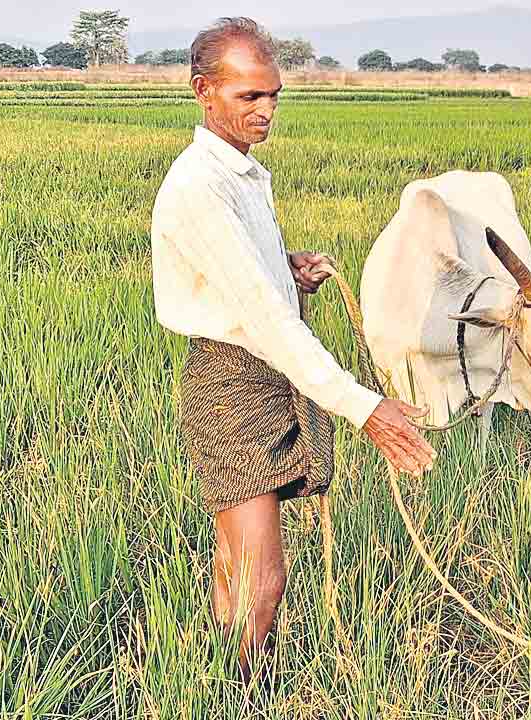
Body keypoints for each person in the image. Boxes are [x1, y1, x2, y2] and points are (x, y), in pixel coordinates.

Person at [150, 16, 436, 679]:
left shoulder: (242, 173)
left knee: (238, 567)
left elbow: (242, 279)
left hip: (257, 374)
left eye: (273, 95)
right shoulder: (199, 187)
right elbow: (270, 323)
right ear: (203, 91)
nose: (266, 110)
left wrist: (285, 266)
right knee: (263, 577)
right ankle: (246, 691)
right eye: (249, 96)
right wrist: (365, 409)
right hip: (232, 386)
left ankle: (226, 683)